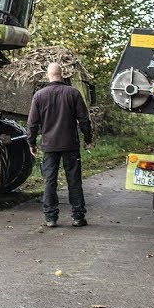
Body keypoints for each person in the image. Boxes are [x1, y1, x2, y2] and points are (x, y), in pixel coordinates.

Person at [26, 61, 94, 227]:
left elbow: (32, 123)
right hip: (70, 144)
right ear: (62, 74)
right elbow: (84, 120)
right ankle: (78, 217)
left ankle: (51, 218)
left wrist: (31, 143)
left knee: (50, 181)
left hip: (49, 146)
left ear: (49, 75)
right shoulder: (73, 93)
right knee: (74, 181)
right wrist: (88, 139)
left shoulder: (39, 95)